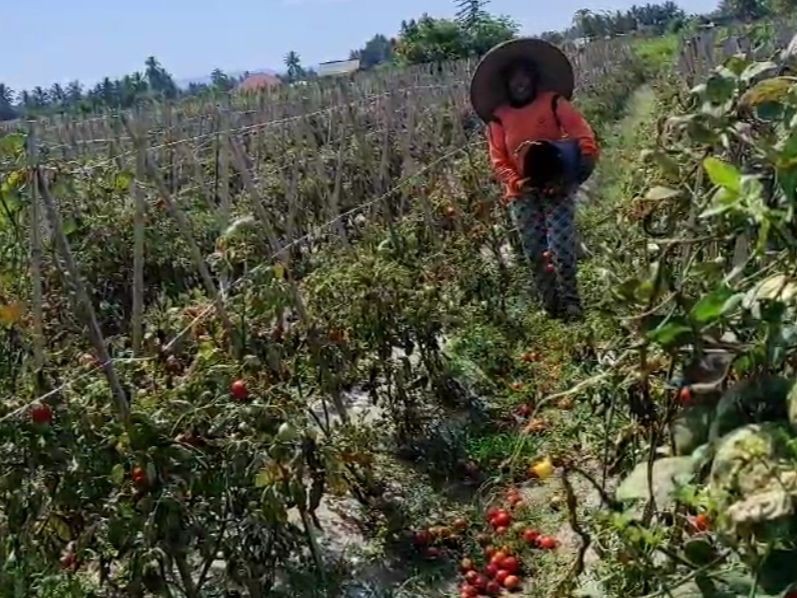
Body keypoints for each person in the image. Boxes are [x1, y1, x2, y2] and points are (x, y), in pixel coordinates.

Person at [469, 39, 599, 321]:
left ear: (533, 78)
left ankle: (573, 303)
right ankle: (551, 307)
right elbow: (498, 161)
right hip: (522, 194)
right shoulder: (499, 120)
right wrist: (518, 182)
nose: (520, 83)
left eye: (524, 76)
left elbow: (583, 135)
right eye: (514, 78)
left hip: (557, 186)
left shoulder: (553, 103)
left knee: (561, 249)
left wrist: (576, 172)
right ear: (506, 84)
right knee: (535, 253)